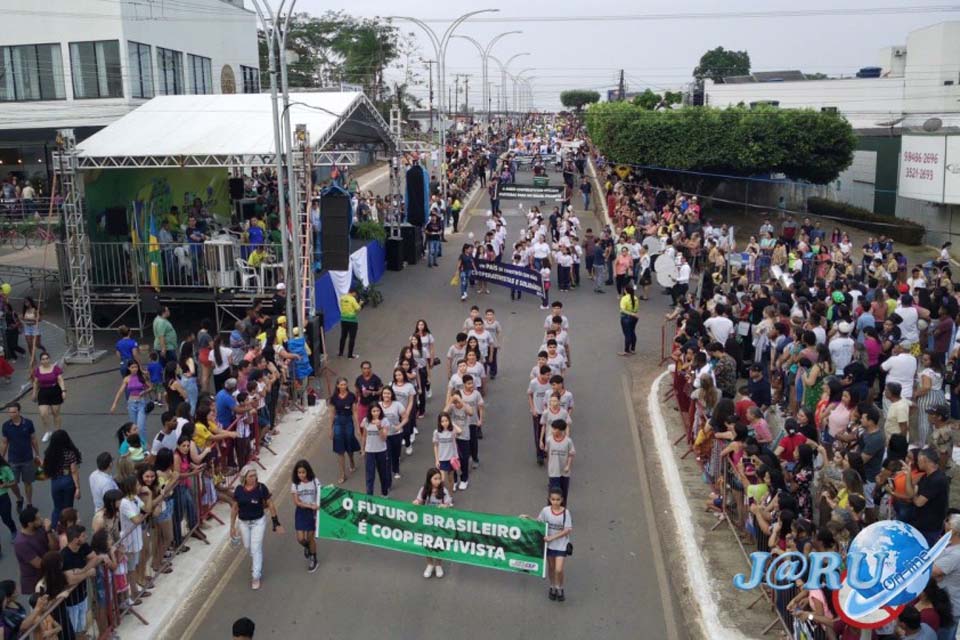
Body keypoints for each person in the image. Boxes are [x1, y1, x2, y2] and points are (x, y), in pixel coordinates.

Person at [230, 465, 284, 590]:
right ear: (244, 477)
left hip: (258, 522)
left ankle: (256, 576)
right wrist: (232, 526)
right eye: (250, 476)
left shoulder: (261, 488)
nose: (253, 478)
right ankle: (256, 562)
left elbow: (270, 504)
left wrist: (276, 522)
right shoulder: (238, 490)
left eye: (255, 475)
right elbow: (234, 508)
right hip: (243, 523)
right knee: (248, 547)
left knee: (255, 548)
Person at [530, 488, 572, 602]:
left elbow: (567, 530)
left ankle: (560, 587)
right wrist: (528, 518)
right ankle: (552, 586)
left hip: (561, 545)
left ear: (562, 500)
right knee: (552, 568)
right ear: (549, 499)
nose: (555, 502)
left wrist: (552, 537)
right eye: (553, 499)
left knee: (559, 569)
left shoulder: (565, 513)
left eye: (558, 499)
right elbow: (539, 522)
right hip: (549, 546)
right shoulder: (545, 511)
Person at [413, 467, 453, 578]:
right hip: (427, 523)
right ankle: (430, 564)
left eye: (439, 478)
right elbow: (419, 501)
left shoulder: (443, 491)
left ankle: (438, 564)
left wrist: (444, 506)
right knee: (427, 543)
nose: (438, 481)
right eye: (435, 478)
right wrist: (416, 502)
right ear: (429, 479)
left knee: (439, 544)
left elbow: (448, 505)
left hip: (440, 524)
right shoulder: (424, 490)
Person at [1, 403, 40, 513]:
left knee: (28, 482)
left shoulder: (28, 423)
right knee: (13, 483)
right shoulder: (6, 426)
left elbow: (33, 439)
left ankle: (29, 503)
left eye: (13, 412)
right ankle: (19, 498)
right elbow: (4, 443)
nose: (11, 414)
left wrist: (37, 454)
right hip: (13, 460)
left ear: (19, 412)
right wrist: (1, 458)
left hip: (27, 459)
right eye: (9, 412)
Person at [42, 430, 81, 529]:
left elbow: (46, 468)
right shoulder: (70, 454)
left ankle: (55, 528)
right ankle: (68, 529)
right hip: (67, 480)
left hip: (55, 481)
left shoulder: (49, 453)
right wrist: (77, 487)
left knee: (57, 507)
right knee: (68, 508)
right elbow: (74, 471)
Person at [13, 506, 56, 595]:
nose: (42, 519)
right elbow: (39, 564)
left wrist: (48, 531)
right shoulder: (21, 543)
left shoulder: (41, 529)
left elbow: (54, 547)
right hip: (35, 584)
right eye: (38, 519)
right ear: (30, 524)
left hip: (48, 575)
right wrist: (57, 563)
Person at [328, 377, 360, 484]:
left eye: (345, 384)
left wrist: (357, 427)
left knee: (349, 443)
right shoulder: (334, 398)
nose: (343, 386)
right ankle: (342, 473)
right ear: (337, 386)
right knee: (340, 449)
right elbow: (332, 413)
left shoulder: (351, 397)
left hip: (348, 422)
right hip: (338, 422)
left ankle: (351, 459)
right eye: (341, 385)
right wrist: (330, 429)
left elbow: (355, 412)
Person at [933, 513, 960, 640]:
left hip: (949, 606)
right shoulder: (949, 545)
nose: (944, 525)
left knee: (945, 636)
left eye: (947, 524)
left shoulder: (956, 554)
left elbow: (932, 571)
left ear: (953, 531)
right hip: (947, 601)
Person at [291, 460, 321, 573]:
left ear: (308, 471)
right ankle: (308, 547)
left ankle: (314, 558)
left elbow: (321, 492)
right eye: (299, 473)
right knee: (300, 539)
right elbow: (297, 502)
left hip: (313, 513)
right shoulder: (295, 484)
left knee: (310, 538)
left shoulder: (314, 481)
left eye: (303, 472)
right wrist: (309, 506)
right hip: (301, 512)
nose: (301, 475)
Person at [109, 361, 151, 441]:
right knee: (134, 427)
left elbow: (151, 387)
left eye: (136, 367)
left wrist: (144, 392)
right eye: (132, 367)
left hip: (141, 402)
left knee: (141, 426)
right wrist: (114, 404)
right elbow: (120, 391)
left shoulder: (142, 377)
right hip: (131, 403)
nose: (135, 369)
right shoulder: (127, 379)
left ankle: (143, 445)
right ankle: (136, 444)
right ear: (129, 368)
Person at [32, 352, 65, 443]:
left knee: (55, 413)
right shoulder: (38, 370)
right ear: (41, 361)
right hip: (43, 392)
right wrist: (34, 393)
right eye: (43, 359)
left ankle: (58, 432)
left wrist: (63, 391)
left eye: (47, 358)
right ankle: (47, 431)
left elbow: (60, 380)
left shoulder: (55, 369)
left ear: (49, 359)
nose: (45, 360)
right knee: (43, 414)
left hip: (55, 391)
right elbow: (36, 383)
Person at [360, 403, 390, 496]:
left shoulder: (384, 421)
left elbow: (384, 438)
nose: (376, 413)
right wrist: (363, 449)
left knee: (383, 473)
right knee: (370, 475)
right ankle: (369, 495)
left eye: (377, 411)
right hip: (370, 451)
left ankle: (384, 493)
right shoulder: (366, 421)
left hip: (381, 450)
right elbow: (364, 436)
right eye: (374, 411)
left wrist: (379, 427)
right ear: (370, 412)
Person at [543, 420, 575, 504]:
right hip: (553, 471)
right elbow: (547, 452)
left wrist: (568, 465)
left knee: (563, 492)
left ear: (560, 430)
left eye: (554, 429)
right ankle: (550, 510)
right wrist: (549, 464)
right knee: (553, 492)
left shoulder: (568, 441)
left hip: (564, 472)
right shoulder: (549, 440)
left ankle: (562, 510)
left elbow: (571, 454)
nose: (552, 431)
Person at [338, 289, 362, 359]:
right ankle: (350, 355)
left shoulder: (342, 298)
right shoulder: (352, 299)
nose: (356, 296)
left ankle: (340, 353)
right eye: (355, 294)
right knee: (352, 338)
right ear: (353, 292)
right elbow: (358, 309)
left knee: (343, 337)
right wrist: (360, 303)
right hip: (352, 321)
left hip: (343, 320)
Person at [619, 283, 639, 356]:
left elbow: (622, 309)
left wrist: (630, 314)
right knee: (632, 332)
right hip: (634, 318)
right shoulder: (635, 298)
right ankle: (633, 349)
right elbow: (636, 308)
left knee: (627, 334)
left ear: (625, 290)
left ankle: (626, 350)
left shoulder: (624, 298)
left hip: (626, 318)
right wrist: (634, 314)